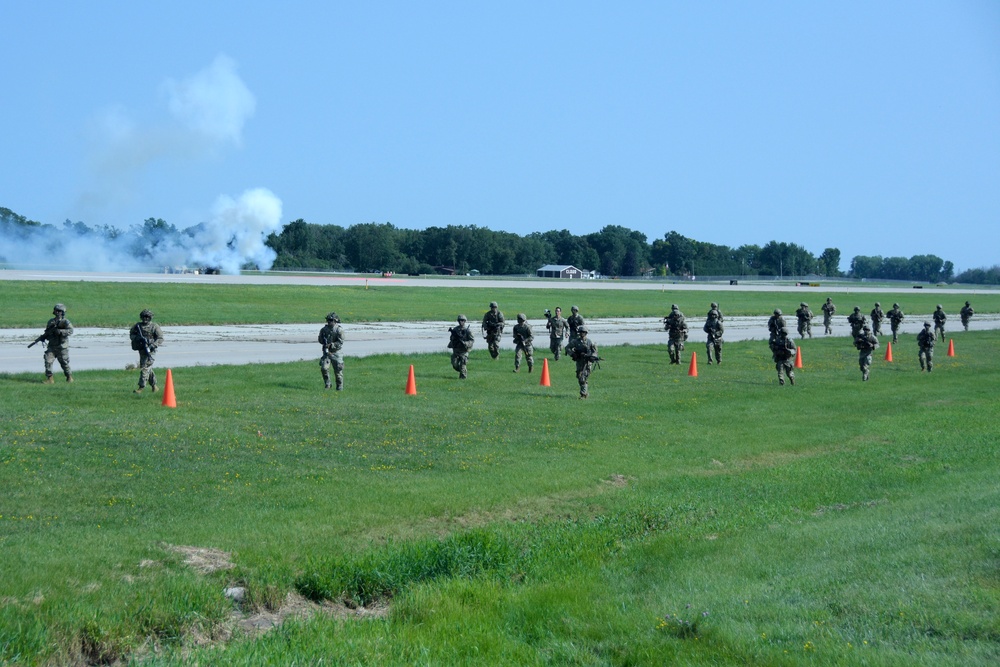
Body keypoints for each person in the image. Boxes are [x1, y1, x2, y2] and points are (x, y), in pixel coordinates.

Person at [32, 303, 74, 383]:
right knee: (48, 361)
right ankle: (50, 379)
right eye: (56, 310)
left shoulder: (65, 322)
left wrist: (60, 331)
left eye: (59, 311)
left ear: (62, 312)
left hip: (62, 346)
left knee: (64, 363)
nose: (57, 312)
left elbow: (71, 331)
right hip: (52, 346)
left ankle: (69, 377)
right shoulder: (51, 322)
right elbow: (48, 332)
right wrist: (44, 337)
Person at [130, 309, 164, 393]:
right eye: (144, 317)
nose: (145, 319)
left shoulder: (154, 326)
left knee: (145, 368)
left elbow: (160, 338)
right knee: (148, 368)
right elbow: (132, 335)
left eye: (147, 317)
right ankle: (154, 386)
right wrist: (138, 338)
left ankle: (141, 387)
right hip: (142, 349)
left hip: (151, 350)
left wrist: (153, 345)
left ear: (150, 318)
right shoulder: (137, 326)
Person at [567, 325, 598, 398]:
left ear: (586, 333)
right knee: (579, 376)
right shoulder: (576, 341)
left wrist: (592, 356)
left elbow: (595, 351)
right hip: (579, 361)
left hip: (587, 362)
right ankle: (585, 392)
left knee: (583, 377)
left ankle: (583, 394)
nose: (582, 334)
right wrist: (573, 354)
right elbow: (567, 348)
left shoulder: (590, 342)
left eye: (583, 332)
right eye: (581, 332)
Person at [318, 312, 345, 390]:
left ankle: (339, 387)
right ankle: (328, 384)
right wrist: (323, 341)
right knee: (324, 368)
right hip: (327, 353)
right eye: (328, 320)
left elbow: (340, 342)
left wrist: (331, 345)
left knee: (338, 372)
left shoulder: (339, 330)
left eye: (331, 320)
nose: (329, 322)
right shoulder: (324, 329)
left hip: (336, 353)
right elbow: (320, 340)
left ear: (335, 321)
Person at [448, 314, 475, 379]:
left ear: (465, 321)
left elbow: (472, 340)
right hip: (456, 350)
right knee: (454, 365)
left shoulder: (468, 331)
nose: (461, 322)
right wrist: (454, 341)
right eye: (460, 320)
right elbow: (451, 338)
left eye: (462, 320)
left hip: (464, 351)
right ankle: (462, 371)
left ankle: (463, 378)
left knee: (463, 365)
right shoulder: (455, 330)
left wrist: (465, 343)